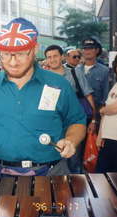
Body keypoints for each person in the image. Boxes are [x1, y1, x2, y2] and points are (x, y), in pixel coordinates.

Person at [0, 18, 87, 177]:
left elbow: (77, 121)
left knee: (51, 204)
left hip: (52, 173)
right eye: (5, 55)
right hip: (0, 173)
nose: (13, 62)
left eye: (20, 54)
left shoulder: (58, 84)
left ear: (35, 49)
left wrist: (71, 140)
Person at [44, 44, 96, 173]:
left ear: (62, 57)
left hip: (73, 124)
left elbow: (88, 95)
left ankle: (76, 189)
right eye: (49, 57)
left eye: (55, 56)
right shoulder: (43, 77)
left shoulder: (74, 72)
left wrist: (94, 119)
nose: (52, 59)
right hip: (53, 125)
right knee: (55, 159)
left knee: (74, 159)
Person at [96, 52, 117, 173]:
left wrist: (103, 109)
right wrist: (100, 135)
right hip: (107, 139)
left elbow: (116, 107)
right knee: (101, 176)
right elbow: (105, 114)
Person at [79, 38, 109, 117]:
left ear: (97, 50)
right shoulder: (76, 70)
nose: (87, 51)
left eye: (91, 48)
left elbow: (106, 96)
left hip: (97, 113)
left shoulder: (105, 71)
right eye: (85, 48)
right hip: (78, 114)